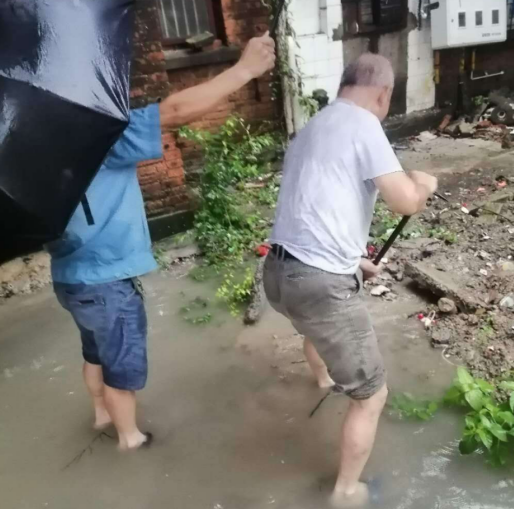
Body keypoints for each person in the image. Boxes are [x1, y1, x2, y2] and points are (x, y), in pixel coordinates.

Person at [47, 32, 276, 451]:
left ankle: (101, 415)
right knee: (120, 368)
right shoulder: (96, 134)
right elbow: (173, 111)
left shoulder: (36, 144)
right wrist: (245, 69)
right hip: (108, 282)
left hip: (69, 278)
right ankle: (130, 440)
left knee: (94, 352)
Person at [263, 53, 438, 507]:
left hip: (279, 272)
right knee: (372, 395)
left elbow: (314, 206)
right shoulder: (364, 124)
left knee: (313, 328)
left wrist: (353, 260)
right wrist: (423, 183)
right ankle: (346, 491)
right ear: (383, 94)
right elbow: (405, 202)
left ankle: (322, 382)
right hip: (317, 284)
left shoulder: (313, 128)